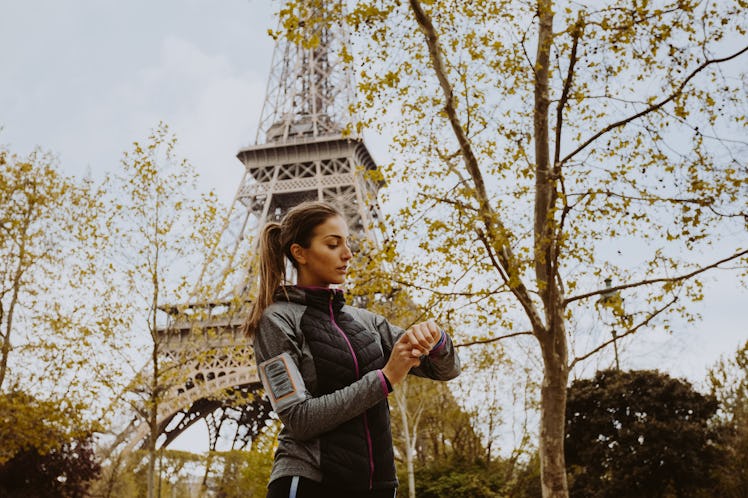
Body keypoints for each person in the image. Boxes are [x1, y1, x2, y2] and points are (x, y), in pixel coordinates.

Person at [243, 201, 461, 498]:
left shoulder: (367, 321)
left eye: (348, 242)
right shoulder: (276, 321)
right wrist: (385, 379)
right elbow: (299, 419)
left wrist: (436, 340)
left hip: (378, 486)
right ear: (299, 253)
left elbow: (445, 370)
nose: (348, 254)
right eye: (333, 244)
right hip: (311, 484)